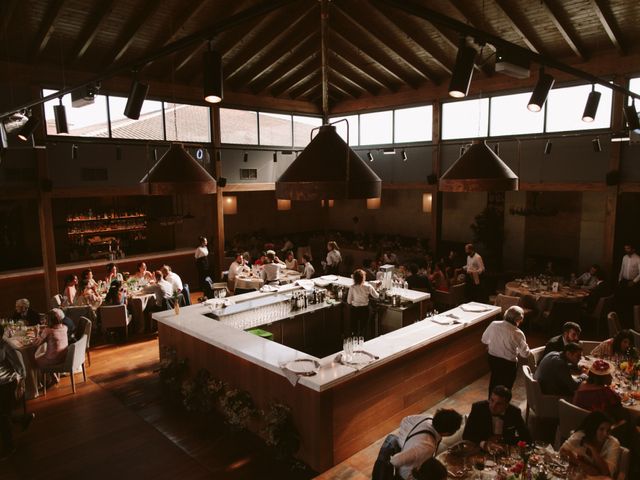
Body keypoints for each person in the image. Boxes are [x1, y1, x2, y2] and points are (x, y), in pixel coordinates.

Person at [390, 409, 463, 480]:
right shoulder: (427, 447)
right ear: (447, 433)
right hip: (409, 476)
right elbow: (395, 461)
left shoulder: (427, 418)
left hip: (420, 467)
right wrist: (406, 446)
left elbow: (406, 420)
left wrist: (407, 444)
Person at [0, 324, 34, 460]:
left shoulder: (8, 346)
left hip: (6, 384)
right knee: (3, 413)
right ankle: (23, 418)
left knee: (2, 416)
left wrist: (21, 385)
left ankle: (9, 447)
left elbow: (21, 368)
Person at [481, 306, 530, 396]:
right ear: (519, 319)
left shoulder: (494, 324)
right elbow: (525, 354)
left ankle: (491, 403)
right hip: (508, 364)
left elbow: (484, 340)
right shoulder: (518, 333)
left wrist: (494, 344)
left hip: (493, 360)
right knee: (506, 388)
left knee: (494, 382)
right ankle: (503, 407)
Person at [463, 385, 531, 449]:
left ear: (507, 405)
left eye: (499, 404)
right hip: (482, 450)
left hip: (505, 450)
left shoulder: (514, 412)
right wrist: (484, 444)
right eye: (492, 400)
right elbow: (466, 435)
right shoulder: (478, 408)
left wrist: (504, 440)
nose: (493, 406)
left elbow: (526, 437)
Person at [560, 411, 620, 478]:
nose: (605, 434)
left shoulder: (613, 443)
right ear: (593, 428)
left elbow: (606, 472)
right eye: (601, 429)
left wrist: (592, 449)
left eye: (608, 430)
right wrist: (584, 466)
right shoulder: (582, 435)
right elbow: (562, 451)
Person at [347, 269, 379, 339]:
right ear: (363, 278)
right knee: (363, 328)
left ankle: (354, 341)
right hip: (365, 309)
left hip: (354, 310)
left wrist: (354, 301)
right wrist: (376, 289)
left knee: (354, 328)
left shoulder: (352, 287)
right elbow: (377, 296)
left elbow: (349, 301)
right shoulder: (368, 286)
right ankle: (363, 342)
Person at [617, 243, 640, 326]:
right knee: (622, 302)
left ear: (633, 249)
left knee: (629, 303)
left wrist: (634, 282)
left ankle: (630, 324)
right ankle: (622, 322)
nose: (626, 250)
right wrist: (619, 280)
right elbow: (622, 269)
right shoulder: (624, 257)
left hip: (632, 283)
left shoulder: (638, 258)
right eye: (626, 248)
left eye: (628, 248)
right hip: (624, 282)